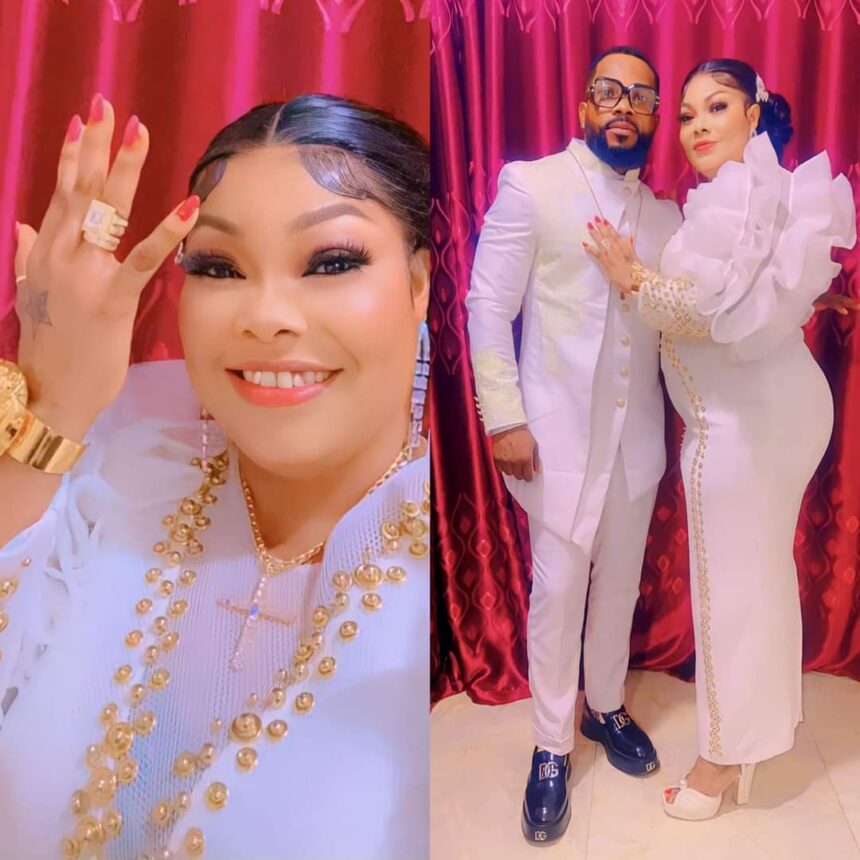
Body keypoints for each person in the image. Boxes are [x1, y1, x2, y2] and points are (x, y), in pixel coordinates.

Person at [0, 92, 431, 859]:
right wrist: (51, 406)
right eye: (218, 266)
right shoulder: (116, 492)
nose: (265, 315)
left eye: (332, 261)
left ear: (421, 284)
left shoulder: (458, 597)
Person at [584, 58, 856, 821]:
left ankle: (722, 759)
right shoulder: (751, 190)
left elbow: (706, 311)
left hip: (741, 423)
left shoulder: (738, 196)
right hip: (767, 409)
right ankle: (759, 734)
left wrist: (632, 276)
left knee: (732, 587)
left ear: (753, 115)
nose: (697, 125)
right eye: (687, 114)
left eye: (717, 107)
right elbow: (751, 296)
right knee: (757, 578)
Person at [466, 46, 681, 844]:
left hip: (638, 439)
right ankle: (552, 743)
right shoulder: (533, 185)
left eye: (641, 96)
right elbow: (487, 307)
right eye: (609, 91)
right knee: (558, 592)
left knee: (619, 583)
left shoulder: (667, 218)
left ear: (654, 117)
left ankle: (606, 706)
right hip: (553, 436)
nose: (624, 105)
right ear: (586, 105)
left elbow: (687, 314)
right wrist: (503, 418)